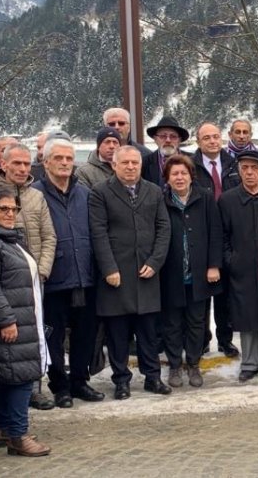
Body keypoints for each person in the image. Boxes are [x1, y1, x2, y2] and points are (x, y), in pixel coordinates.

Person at [89, 145, 172, 400]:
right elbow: (98, 232)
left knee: (148, 331)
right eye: (124, 163)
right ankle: (121, 380)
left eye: (134, 163)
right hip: (117, 275)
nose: (130, 167)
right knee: (118, 334)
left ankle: (153, 378)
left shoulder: (154, 190)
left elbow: (163, 228)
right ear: (114, 165)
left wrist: (156, 261)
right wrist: (109, 268)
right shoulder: (100, 192)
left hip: (146, 272)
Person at [32, 137, 104, 408]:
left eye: (69, 158)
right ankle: (59, 386)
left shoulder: (85, 193)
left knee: (85, 333)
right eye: (58, 158)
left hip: (85, 274)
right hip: (54, 277)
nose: (64, 163)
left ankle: (80, 381)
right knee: (54, 335)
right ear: (46, 162)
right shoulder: (36, 194)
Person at [0, 142, 57, 411]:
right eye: (16, 163)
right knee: (5, 345)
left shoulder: (36, 195)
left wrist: (41, 271)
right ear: (3, 164)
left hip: (32, 277)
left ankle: (33, 389)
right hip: (4, 283)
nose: (22, 168)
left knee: (33, 338)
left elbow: (49, 236)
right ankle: (3, 411)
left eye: (27, 163)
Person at [0, 187, 51, 456]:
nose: (10, 213)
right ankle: (18, 435)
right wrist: (6, 320)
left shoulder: (10, 239)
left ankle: (4, 429)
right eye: (3, 208)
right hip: (11, 322)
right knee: (20, 377)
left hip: (24, 318)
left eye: (14, 208)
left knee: (10, 375)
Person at [218, 150, 258, 382]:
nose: (249, 172)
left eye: (254, 168)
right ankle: (250, 362)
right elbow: (222, 235)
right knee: (245, 315)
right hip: (241, 267)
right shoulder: (228, 199)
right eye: (245, 168)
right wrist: (230, 259)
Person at [160, 155, 222, 389]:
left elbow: (215, 232)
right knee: (172, 323)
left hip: (199, 273)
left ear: (190, 176)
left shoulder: (204, 197)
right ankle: (175, 365)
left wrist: (213, 265)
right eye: (174, 174)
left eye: (183, 173)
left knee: (197, 322)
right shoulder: (161, 199)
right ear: (167, 178)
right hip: (171, 273)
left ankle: (194, 364)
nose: (179, 177)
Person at [192, 121, 240, 358]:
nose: (212, 141)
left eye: (215, 136)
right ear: (198, 141)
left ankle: (225, 339)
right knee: (203, 293)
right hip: (202, 234)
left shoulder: (233, 164)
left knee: (225, 295)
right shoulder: (191, 166)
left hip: (230, 234)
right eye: (206, 138)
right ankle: (202, 340)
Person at [142, 115, 191, 187]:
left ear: (179, 140)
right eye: (163, 136)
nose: (168, 140)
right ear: (155, 139)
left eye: (173, 136)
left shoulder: (193, 161)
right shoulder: (144, 163)